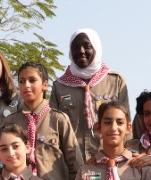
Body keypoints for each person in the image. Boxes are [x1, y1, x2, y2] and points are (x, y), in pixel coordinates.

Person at [2, 61, 80, 180]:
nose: (26, 85)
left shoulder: (58, 119)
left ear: (45, 84)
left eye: (32, 80)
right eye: (22, 81)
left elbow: (75, 166)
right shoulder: (10, 122)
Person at [51, 29, 129, 161]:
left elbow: (126, 125)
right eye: (75, 47)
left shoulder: (116, 81)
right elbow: (53, 128)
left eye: (87, 46)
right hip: (72, 162)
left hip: (109, 160)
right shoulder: (60, 86)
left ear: (96, 48)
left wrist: (124, 159)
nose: (81, 51)